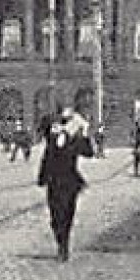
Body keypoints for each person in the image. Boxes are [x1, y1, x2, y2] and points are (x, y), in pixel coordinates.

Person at [37, 106, 94, 260]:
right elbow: (46, 158)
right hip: (54, 182)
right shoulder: (52, 139)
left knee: (67, 214)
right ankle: (60, 239)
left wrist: (86, 133)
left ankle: (64, 245)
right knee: (55, 217)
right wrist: (41, 178)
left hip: (70, 182)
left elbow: (89, 152)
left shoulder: (75, 140)